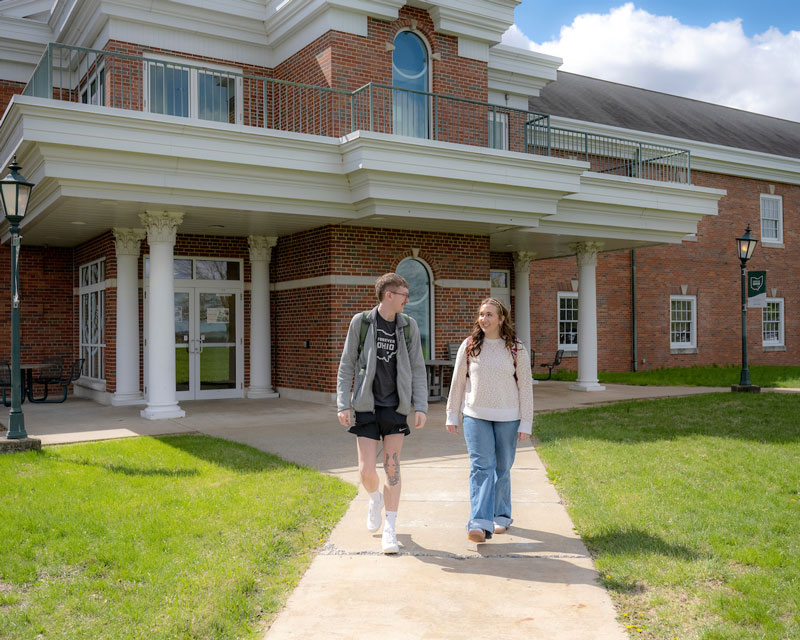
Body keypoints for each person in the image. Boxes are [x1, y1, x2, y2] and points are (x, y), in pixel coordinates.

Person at [336, 273, 428, 554]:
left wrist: (420, 405)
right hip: (366, 405)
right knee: (366, 471)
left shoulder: (408, 326)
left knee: (393, 468)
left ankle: (391, 528)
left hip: (394, 407)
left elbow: (416, 368)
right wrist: (343, 403)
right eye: (404, 294)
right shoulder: (362, 323)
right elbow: (347, 364)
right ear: (389, 295)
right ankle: (375, 498)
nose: (407, 300)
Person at [445, 297, 533, 543]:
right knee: (481, 468)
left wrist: (526, 422)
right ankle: (479, 523)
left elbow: (525, 387)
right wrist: (452, 414)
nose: (484, 319)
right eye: (482, 314)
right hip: (475, 415)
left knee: (502, 468)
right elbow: (458, 382)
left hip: (508, 416)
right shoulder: (470, 345)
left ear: (502, 318)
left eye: (490, 314)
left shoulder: (516, 348)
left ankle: (500, 515)